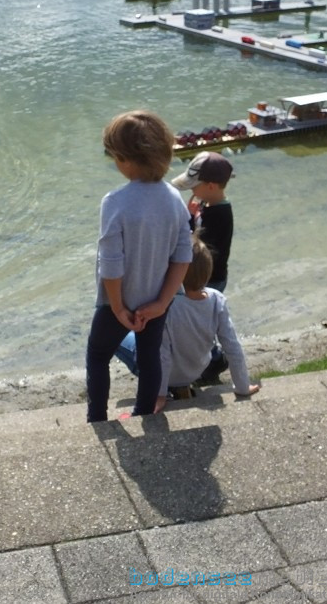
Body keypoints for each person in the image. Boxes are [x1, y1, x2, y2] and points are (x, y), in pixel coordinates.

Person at [85, 110, 192, 423]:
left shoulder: (115, 201)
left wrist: (118, 307)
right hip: (156, 301)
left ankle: (97, 418)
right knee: (149, 356)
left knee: (97, 356)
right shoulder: (174, 198)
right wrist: (162, 302)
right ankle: (144, 413)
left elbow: (111, 263)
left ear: (125, 159)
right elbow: (182, 256)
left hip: (115, 303)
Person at [115, 235, 259, 412]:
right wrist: (243, 386)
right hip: (195, 370)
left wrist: (158, 395)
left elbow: (163, 355)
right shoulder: (217, 301)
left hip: (166, 376)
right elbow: (232, 346)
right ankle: (180, 387)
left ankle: (167, 390)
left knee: (116, 334)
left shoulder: (167, 306)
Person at [172, 151, 233, 292]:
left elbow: (198, 247)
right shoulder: (208, 203)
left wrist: (189, 221)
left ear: (211, 186)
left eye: (194, 187)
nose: (192, 191)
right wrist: (192, 216)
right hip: (205, 275)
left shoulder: (219, 214)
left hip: (209, 279)